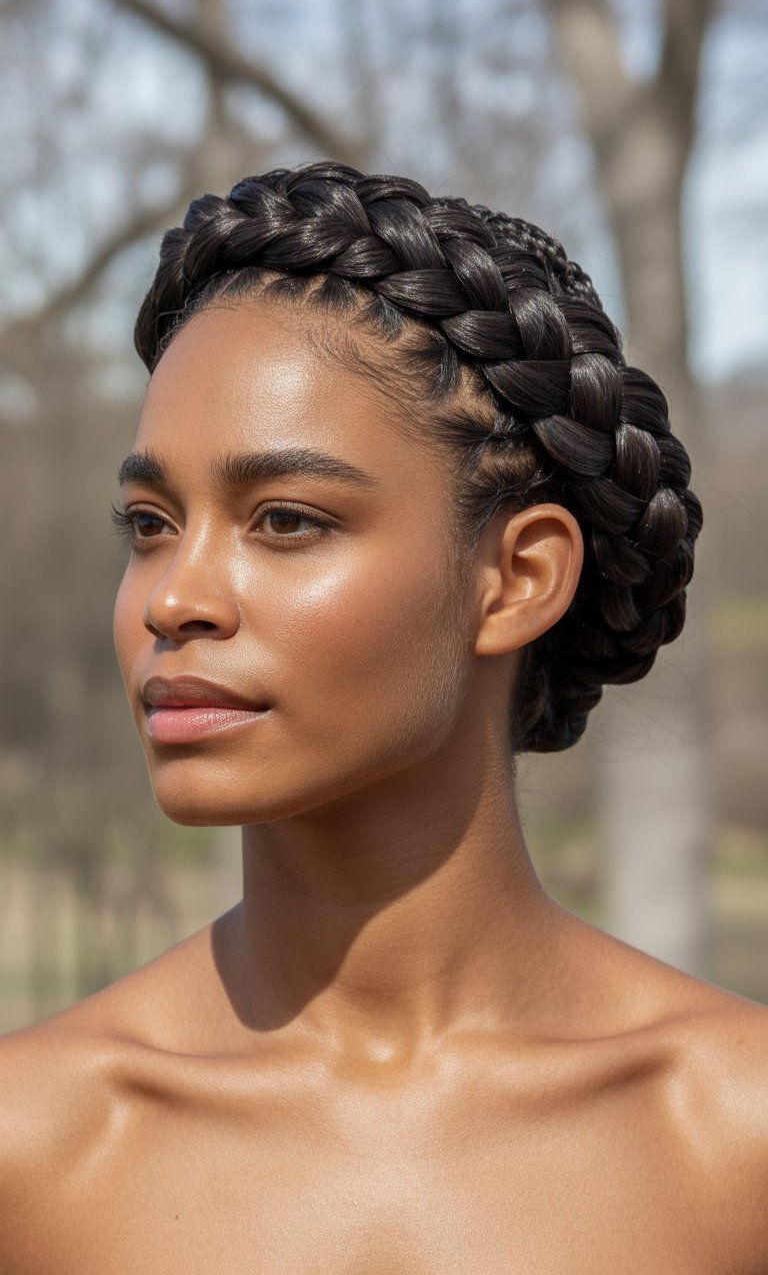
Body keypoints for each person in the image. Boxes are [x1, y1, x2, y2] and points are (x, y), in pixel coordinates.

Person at [1, 161, 766, 1274]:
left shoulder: (735, 1142)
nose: (173, 598)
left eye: (286, 520)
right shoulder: (34, 1151)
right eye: (151, 521)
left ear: (516, 578)